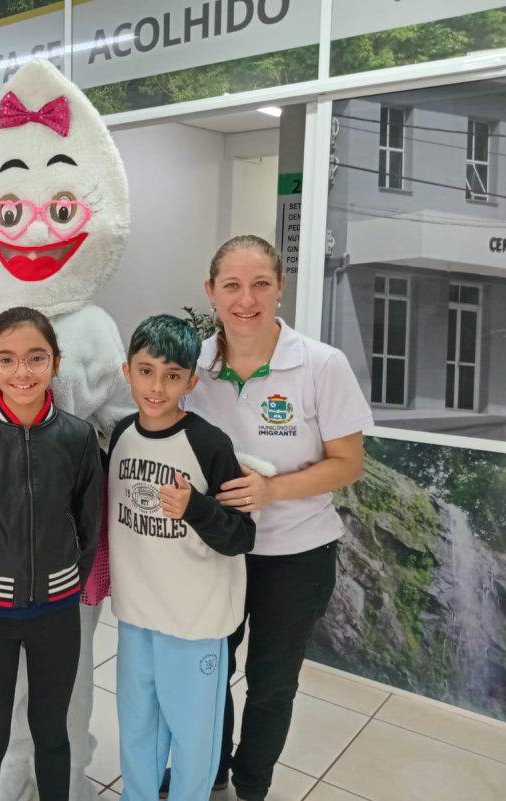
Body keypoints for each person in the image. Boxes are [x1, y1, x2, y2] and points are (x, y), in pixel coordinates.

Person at [184, 235, 373, 801]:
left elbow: (349, 463)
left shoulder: (320, 364)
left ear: (280, 287)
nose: (246, 299)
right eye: (232, 285)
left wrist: (273, 490)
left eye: (260, 284)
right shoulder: (193, 366)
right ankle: (210, 772)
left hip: (296, 555)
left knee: (270, 683)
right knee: (208, 672)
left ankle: (251, 784)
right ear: (211, 291)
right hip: (217, 551)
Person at [0, 306, 102, 801]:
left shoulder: (78, 438)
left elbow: (88, 526)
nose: (22, 372)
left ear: (56, 362)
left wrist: (67, 584)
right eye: (6, 359)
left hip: (56, 611)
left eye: (36, 357)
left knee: (53, 734)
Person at [108, 314, 255, 801]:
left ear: (191, 381)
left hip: (194, 622)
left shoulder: (210, 445)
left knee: (193, 736)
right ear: (127, 371)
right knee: (137, 725)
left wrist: (195, 508)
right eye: (146, 371)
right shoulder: (121, 434)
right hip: (136, 615)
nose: (157, 387)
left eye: (172, 375)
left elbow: (242, 535)